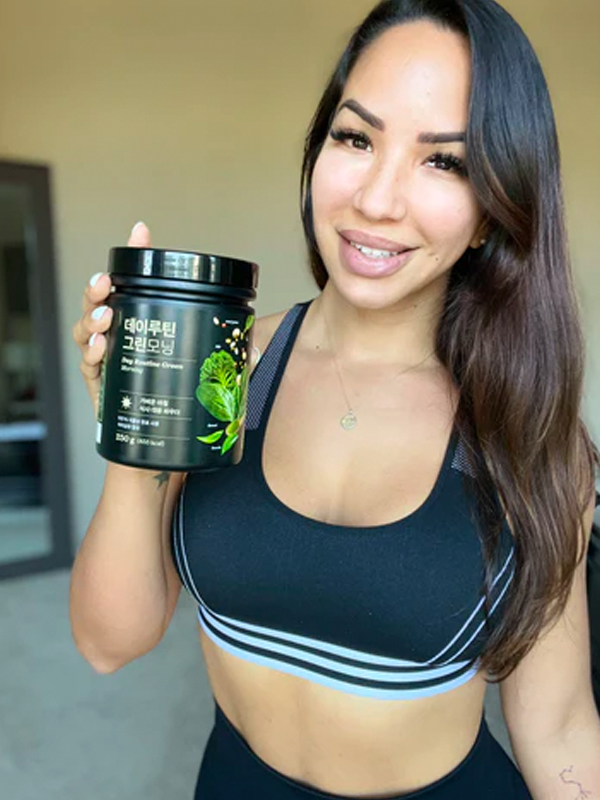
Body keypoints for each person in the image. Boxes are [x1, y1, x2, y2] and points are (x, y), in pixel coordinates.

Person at [70, 0, 600, 797]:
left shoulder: (527, 434)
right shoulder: (227, 370)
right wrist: (134, 422)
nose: (377, 200)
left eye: (444, 162)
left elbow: (558, 728)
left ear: (494, 212)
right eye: (356, 138)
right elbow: (109, 642)